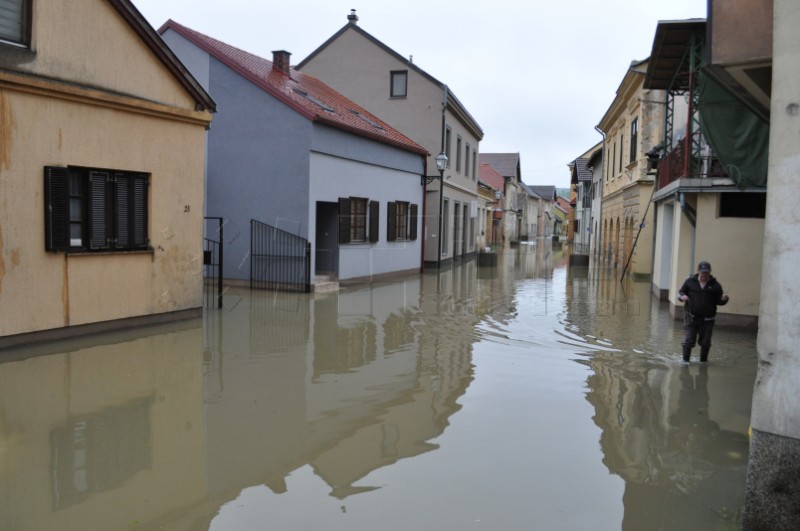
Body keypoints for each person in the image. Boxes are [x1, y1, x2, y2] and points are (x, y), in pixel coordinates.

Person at [678, 261, 729, 362]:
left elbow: (719, 301)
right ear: (698, 272)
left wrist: (724, 299)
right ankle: (685, 362)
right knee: (688, 340)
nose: (704, 275)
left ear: (709, 272)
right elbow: (681, 292)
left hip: (708, 319)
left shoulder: (715, 285)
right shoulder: (690, 281)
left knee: (705, 342)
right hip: (691, 317)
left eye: (706, 273)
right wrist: (683, 297)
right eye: (702, 273)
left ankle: (703, 362)